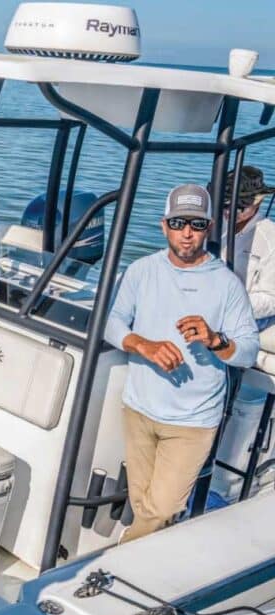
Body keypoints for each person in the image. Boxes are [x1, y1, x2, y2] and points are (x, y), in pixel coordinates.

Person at [105, 184, 259, 543]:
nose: (187, 233)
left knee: (162, 511)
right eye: (178, 222)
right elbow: (113, 322)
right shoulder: (141, 271)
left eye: (197, 224)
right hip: (139, 410)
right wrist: (141, 343)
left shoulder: (226, 284)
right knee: (143, 504)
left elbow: (248, 351)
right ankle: (144, 574)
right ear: (164, 226)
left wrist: (215, 339)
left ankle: (113, 570)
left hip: (192, 422)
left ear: (208, 228)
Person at [223, 166, 275, 333]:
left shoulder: (270, 238)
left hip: (250, 315)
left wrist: (229, 304)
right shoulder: (210, 226)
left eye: (239, 207)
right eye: (224, 204)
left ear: (258, 202)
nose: (229, 212)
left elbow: (272, 299)